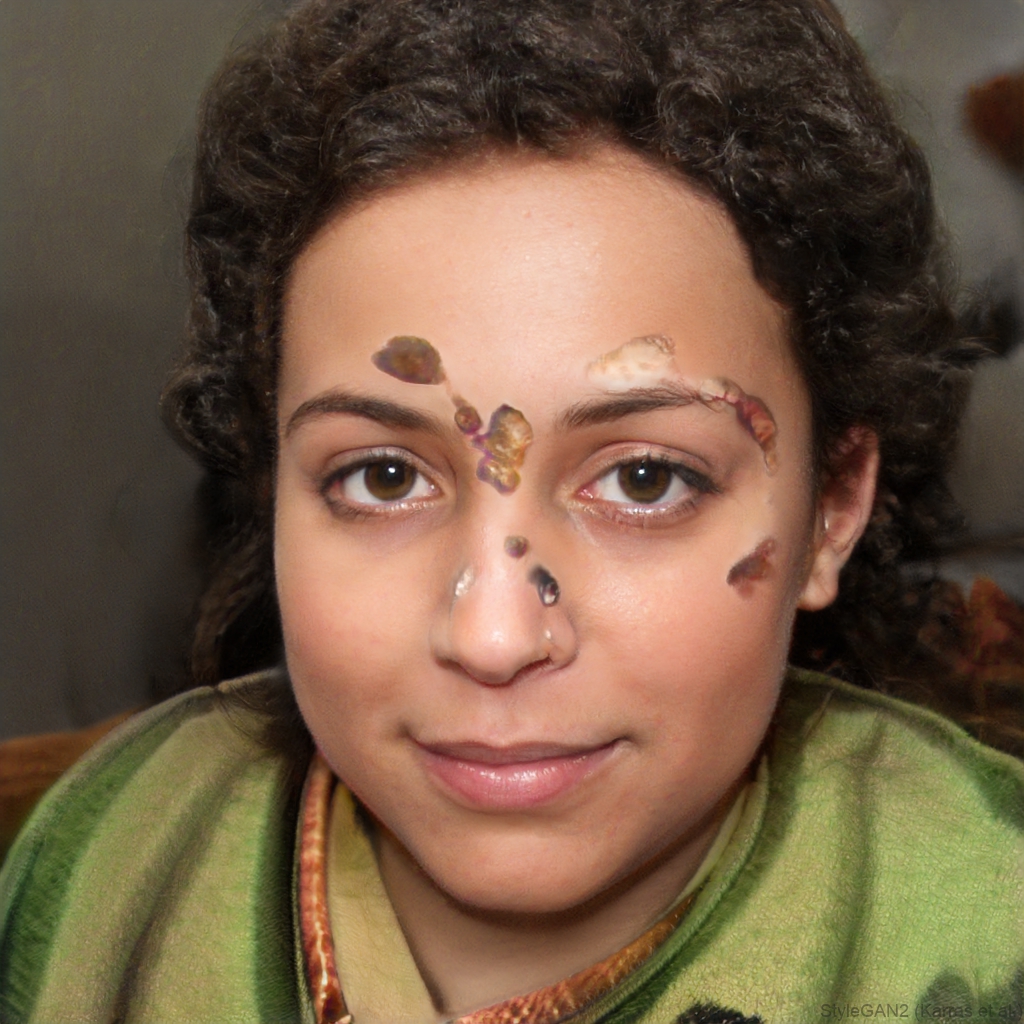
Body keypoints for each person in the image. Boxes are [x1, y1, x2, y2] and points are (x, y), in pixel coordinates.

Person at [1, 1, 1021, 1022]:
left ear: (830, 510)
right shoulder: (117, 857)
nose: (493, 637)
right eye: (383, 477)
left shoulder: (986, 922)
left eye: (644, 480)